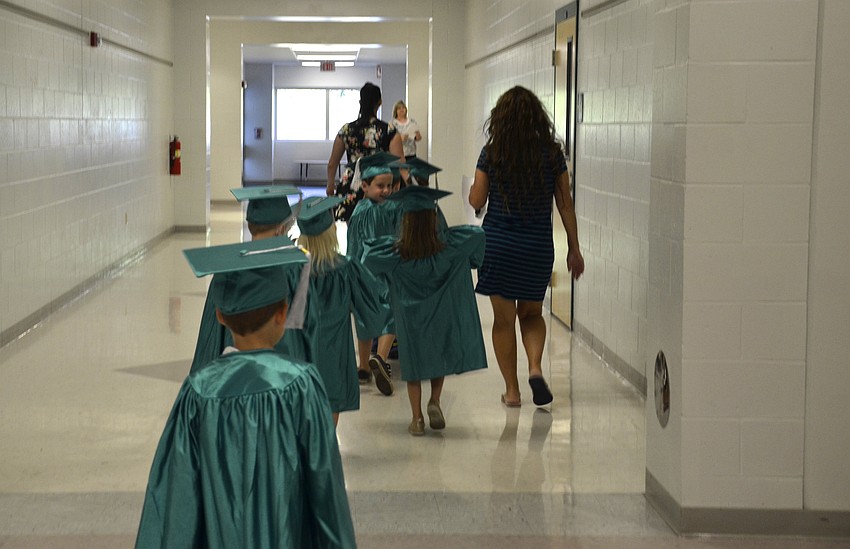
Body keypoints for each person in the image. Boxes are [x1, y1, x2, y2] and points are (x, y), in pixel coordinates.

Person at [136, 236, 356, 549]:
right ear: (283, 313)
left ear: (220, 316)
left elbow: (179, 495)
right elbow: (326, 491)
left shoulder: (199, 392)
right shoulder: (301, 385)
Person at [468, 86, 585, 408]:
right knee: (532, 314)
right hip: (536, 247)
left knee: (504, 321)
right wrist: (574, 248)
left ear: (500, 119)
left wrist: (474, 189)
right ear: (537, 117)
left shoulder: (492, 153)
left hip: (499, 246)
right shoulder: (552, 154)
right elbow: (565, 204)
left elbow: (477, 200)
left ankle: (512, 391)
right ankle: (534, 367)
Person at [362, 185, 488, 436]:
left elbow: (368, 260)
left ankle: (417, 418)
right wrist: (469, 259)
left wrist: (388, 275)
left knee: (413, 366)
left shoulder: (396, 252)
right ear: (434, 218)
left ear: (405, 222)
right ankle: (435, 400)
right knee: (438, 359)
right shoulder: (450, 247)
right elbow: (478, 236)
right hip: (440, 315)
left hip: (410, 320)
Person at [279, 195, 391, 426]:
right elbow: (372, 308)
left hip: (298, 346)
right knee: (331, 399)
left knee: (301, 400)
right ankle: (328, 442)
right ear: (331, 231)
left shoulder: (291, 269)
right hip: (335, 348)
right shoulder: (346, 268)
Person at [189, 185, 303, 375]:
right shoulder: (291, 270)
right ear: (281, 229)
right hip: (281, 373)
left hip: (232, 373)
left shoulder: (228, 270)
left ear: (250, 226)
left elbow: (210, 338)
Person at [346, 152, 402, 396]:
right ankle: (380, 357)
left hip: (365, 273)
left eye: (389, 186)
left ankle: (364, 366)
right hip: (385, 272)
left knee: (364, 317)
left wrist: (351, 270)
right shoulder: (391, 209)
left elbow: (352, 247)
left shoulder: (359, 211)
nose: (386, 191)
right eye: (380, 186)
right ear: (364, 186)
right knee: (390, 314)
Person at [327, 82, 404, 222]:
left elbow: (332, 163)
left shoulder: (346, 130)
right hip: (379, 186)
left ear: (360, 102)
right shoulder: (388, 130)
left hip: (351, 185)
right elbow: (400, 163)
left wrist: (330, 185)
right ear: (379, 102)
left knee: (352, 226)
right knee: (378, 226)